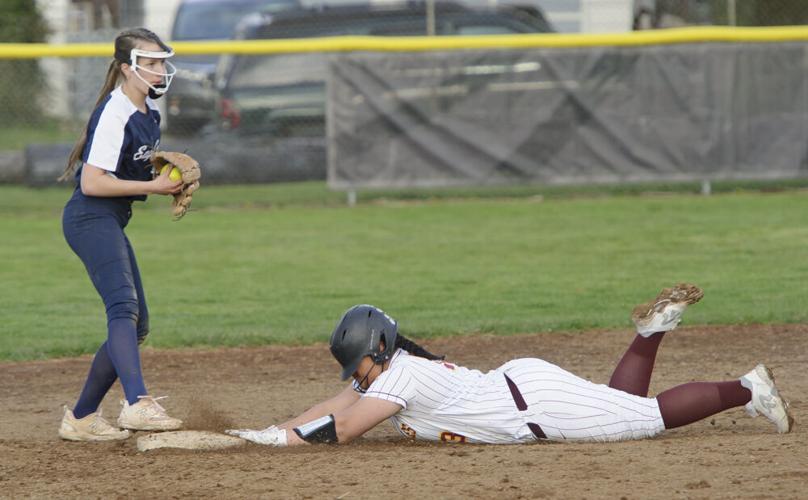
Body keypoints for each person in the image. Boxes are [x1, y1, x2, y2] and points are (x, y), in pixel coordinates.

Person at [227, 284, 794, 446]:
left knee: (647, 419)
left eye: (358, 366)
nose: (355, 377)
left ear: (377, 350)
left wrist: (285, 443)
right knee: (624, 405)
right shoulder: (395, 365)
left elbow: (346, 426)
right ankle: (649, 334)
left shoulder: (397, 374)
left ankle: (748, 389)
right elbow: (338, 404)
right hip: (529, 388)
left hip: (538, 406)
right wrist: (276, 429)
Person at [58, 28, 184, 441]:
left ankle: (81, 418)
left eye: (162, 62)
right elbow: (93, 183)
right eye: (150, 63)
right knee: (123, 307)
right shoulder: (115, 111)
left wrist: (166, 177)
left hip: (108, 220)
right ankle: (137, 403)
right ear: (128, 69)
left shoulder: (149, 112)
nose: (160, 70)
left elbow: (129, 168)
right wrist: (155, 187)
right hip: (89, 217)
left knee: (137, 323)